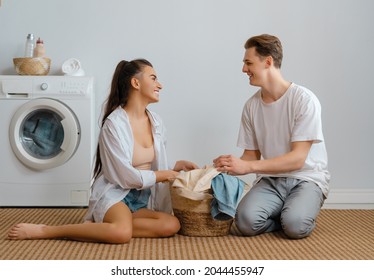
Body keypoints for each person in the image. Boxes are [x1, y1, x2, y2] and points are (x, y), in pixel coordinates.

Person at [8, 59, 198, 243]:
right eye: (154, 78)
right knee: (122, 234)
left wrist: (175, 167)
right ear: (135, 83)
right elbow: (124, 176)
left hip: (141, 197)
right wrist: (164, 174)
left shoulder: (156, 122)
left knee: (171, 224)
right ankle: (47, 231)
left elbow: (151, 166)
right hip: (116, 193)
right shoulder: (114, 124)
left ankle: (108, 226)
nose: (160, 85)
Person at [213, 34, 330, 239]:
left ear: (268, 62)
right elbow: (251, 156)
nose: (243, 69)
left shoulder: (304, 100)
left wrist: (248, 167)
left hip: (306, 179)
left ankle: (293, 216)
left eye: (248, 63)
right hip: (271, 181)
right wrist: (230, 165)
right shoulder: (251, 106)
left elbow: (297, 159)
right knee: (245, 223)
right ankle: (285, 215)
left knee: (295, 226)